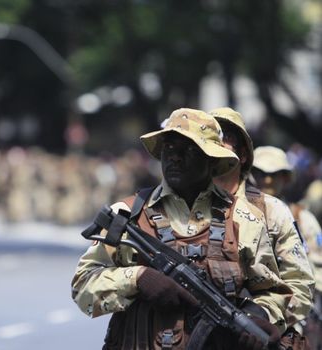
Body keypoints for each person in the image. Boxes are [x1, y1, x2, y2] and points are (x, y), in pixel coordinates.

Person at [71, 108, 289, 350]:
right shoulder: (128, 214)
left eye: (189, 150)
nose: (174, 157)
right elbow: (83, 286)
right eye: (169, 148)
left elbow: (274, 291)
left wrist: (259, 315)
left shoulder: (245, 219)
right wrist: (137, 279)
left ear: (211, 159)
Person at [210, 108, 315, 338]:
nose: (215, 142)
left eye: (225, 136)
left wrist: (263, 318)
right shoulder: (184, 204)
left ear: (244, 154)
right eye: (208, 135)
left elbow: (301, 285)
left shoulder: (273, 210)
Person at [252, 145, 322, 348]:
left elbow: (318, 271)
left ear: (285, 178)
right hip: (251, 316)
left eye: (274, 174)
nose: (267, 180)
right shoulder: (237, 215)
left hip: (294, 320)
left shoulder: (302, 218)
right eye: (261, 173)